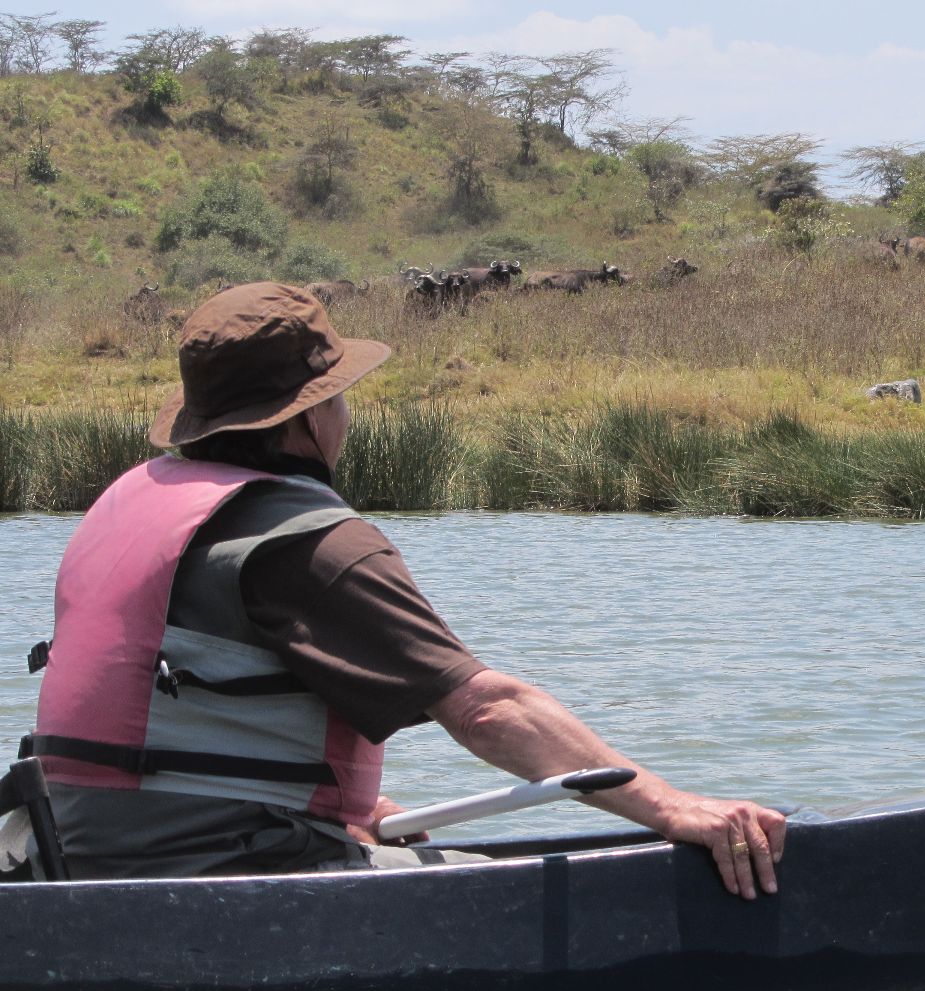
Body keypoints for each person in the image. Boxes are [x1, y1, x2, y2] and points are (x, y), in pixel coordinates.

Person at [19, 282, 784, 896]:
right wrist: (674, 807)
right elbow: (488, 707)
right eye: (340, 395)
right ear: (311, 417)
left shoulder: (127, 501)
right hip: (211, 871)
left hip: (77, 853)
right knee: (504, 889)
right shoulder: (308, 542)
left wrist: (339, 810)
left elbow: (170, 727)